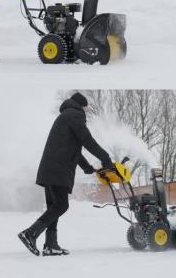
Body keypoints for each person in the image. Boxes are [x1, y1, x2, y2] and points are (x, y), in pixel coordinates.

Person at [18, 92, 115, 256]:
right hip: (58, 169)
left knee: (53, 207)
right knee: (61, 205)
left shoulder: (65, 116)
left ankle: (51, 245)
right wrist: (106, 158)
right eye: (86, 107)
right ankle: (30, 233)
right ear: (81, 105)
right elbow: (87, 140)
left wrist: (87, 167)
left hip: (50, 168)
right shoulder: (75, 115)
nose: (87, 110)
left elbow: (72, 147)